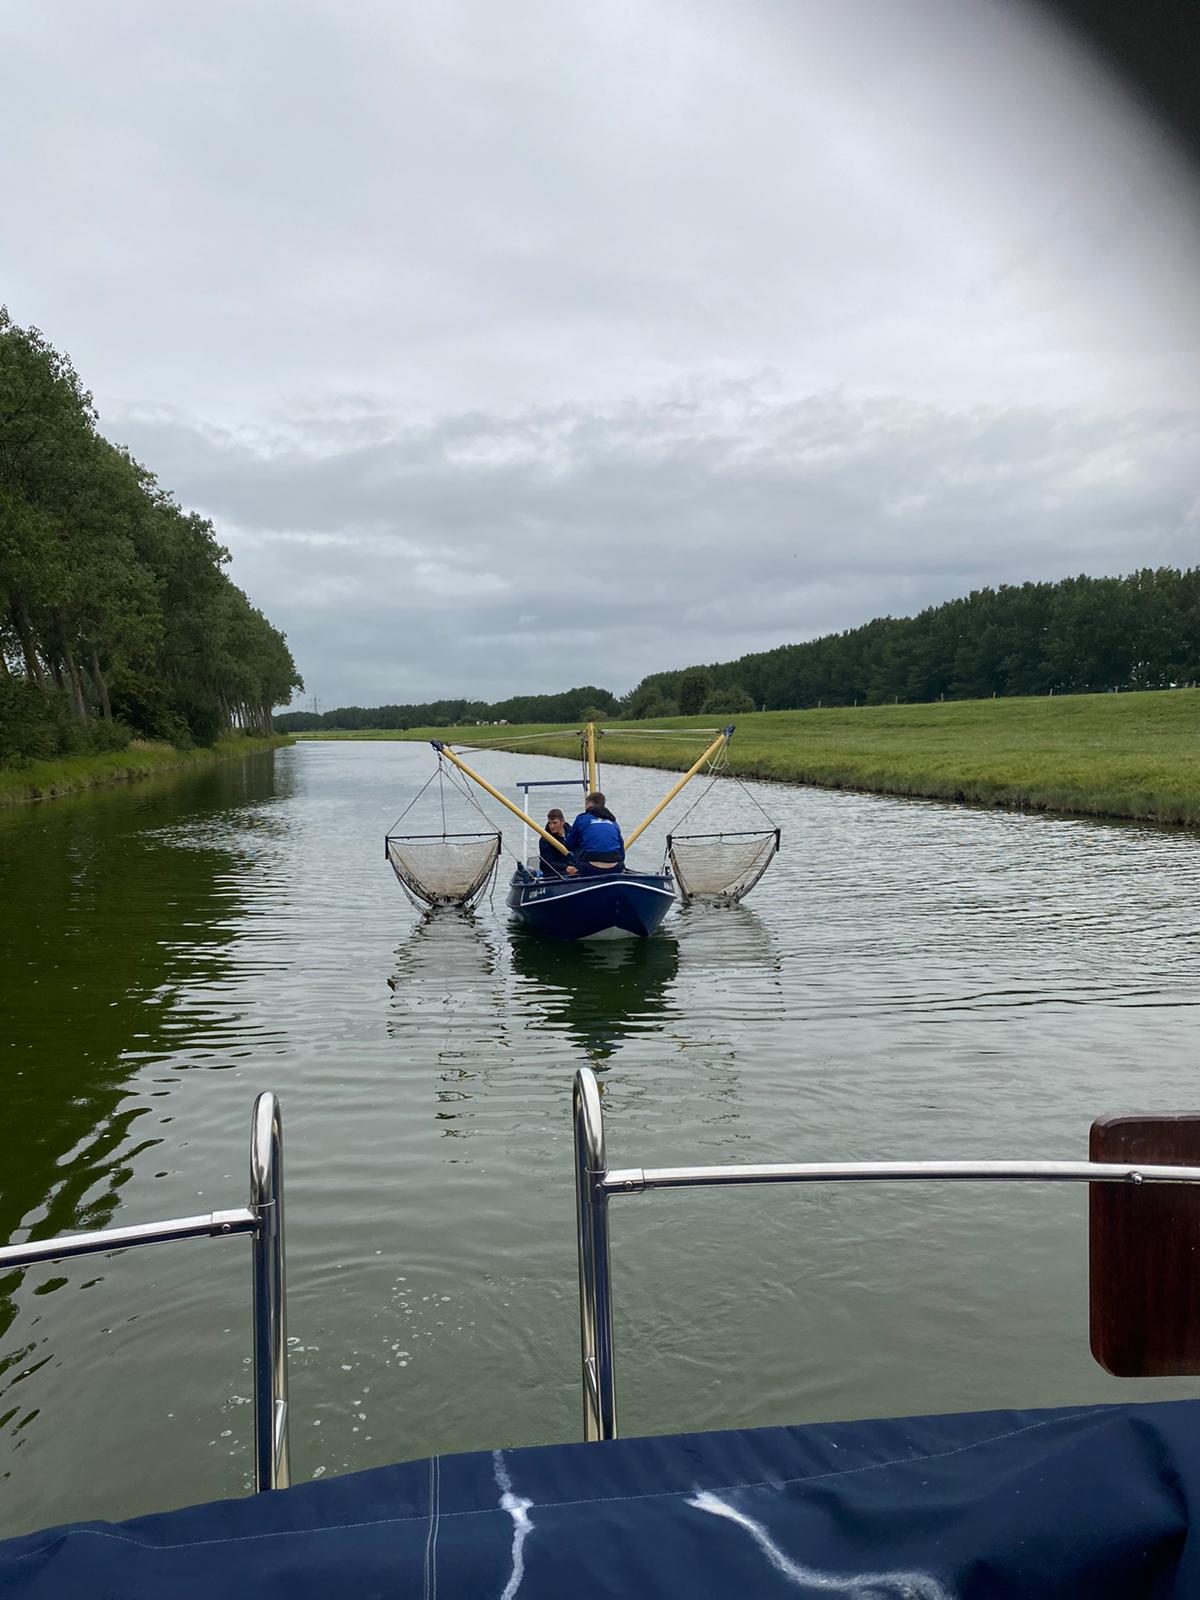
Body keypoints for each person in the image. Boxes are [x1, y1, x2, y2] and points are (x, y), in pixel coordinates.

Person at [567, 791, 625, 874]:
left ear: (589, 804)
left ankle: (577, 872)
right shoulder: (613, 822)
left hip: (590, 867)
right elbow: (621, 851)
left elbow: (569, 844)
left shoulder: (582, 818)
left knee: (578, 846)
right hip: (616, 866)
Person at [539, 809, 578, 877]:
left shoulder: (572, 833)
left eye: (554, 823)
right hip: (555, 872)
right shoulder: (545, 840)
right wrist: (565, 867)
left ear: (562, 822)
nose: (552, 826)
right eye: (549, 823)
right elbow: (545, 864)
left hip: (574, 867)